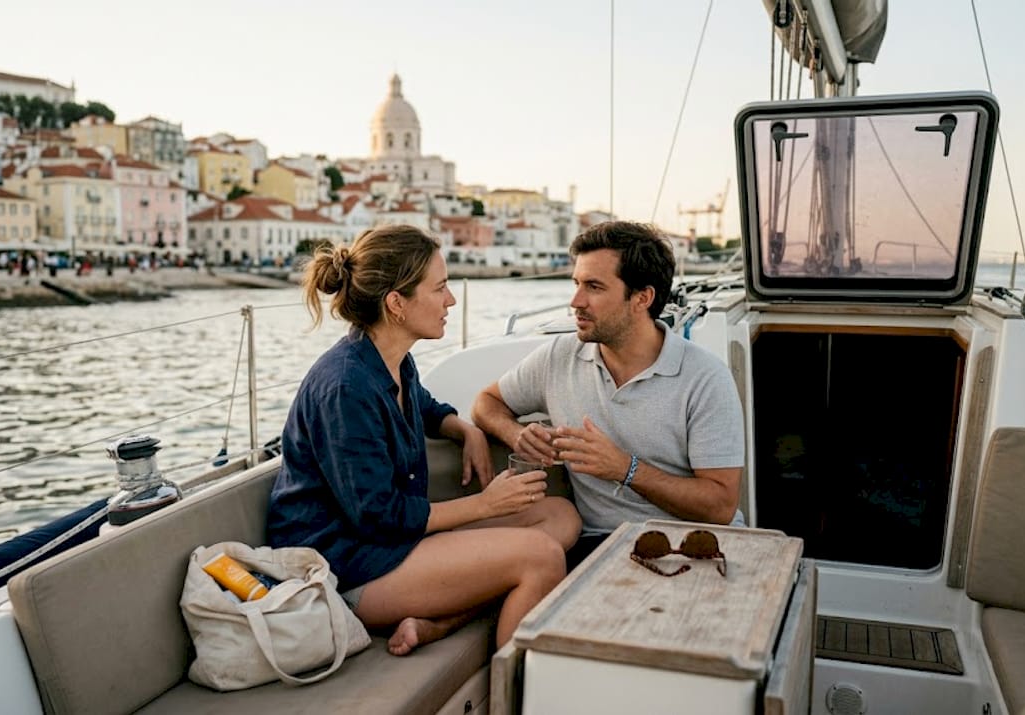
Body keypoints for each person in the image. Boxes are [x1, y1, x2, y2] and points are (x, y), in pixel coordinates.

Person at [267, 225, 581, 656]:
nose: (450, 300)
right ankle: (511, 696)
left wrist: (464, 428)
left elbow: (426, 407)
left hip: (389, 545)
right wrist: (485, 505)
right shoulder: (345, 387)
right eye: (440, 288)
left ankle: (438, 623)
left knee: (561, 516)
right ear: (396, 303)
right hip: (343, 568)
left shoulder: (392, 359)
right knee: (541, 557)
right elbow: (377, 516)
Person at [472, 221, 745, 569]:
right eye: (576, 284)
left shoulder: (705, 378)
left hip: (697, 544)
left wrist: (624, 469)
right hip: (598, 545)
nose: (576, 301)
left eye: (594, 287)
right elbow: (487, 403)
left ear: (642, 298)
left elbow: (720, 506)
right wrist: (517, 434)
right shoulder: (558, 356)